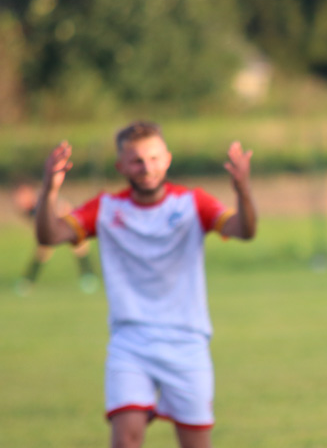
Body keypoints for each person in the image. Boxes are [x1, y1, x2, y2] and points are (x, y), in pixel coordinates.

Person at [35, 121, 257, 448]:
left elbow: (244, 230)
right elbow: (49, 235)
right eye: (137, 160)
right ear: (121, 166)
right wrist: (49, 190)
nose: (146, 168)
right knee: (126, 439)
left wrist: (242, 189)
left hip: (187, 342)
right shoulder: (106, 208)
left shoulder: (192, 203)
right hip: (131, 343)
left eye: (153, 159)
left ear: (167, 158)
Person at [12, 181, 99, 296]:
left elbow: (60, 208)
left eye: (21, 196)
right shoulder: (29, 208)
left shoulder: (39, 201)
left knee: (79, 248)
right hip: (55, 225)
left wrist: (63, 225)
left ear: (27, 193)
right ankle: (28, 282)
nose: (19, 200)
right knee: (42, 253)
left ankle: (89, 277)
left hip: (65, 220)